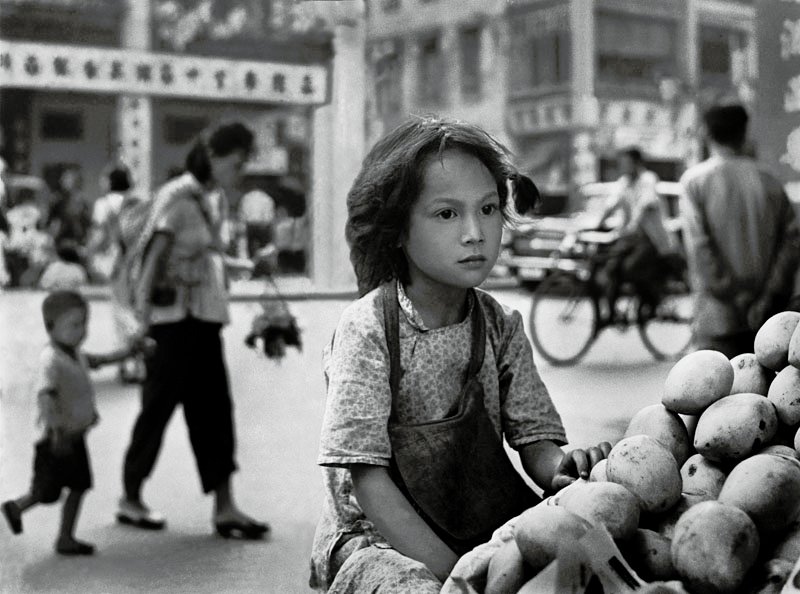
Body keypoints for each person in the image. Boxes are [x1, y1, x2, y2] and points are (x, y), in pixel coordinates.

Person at [309, 116, 611, 592]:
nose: (476, 232)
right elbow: (367, 482)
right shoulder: (369, 329)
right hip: (378, 539)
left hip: (478, 525)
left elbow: (535, 444)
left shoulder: (500, 327)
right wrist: (458, 575)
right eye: (447, 214)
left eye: (488, 209)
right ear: (398, 231)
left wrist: (566, 469)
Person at [117, 122, 268, 539]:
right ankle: (130, 497)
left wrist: (251, 267)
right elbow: (150, 264)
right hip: (171, 327)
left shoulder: (207, 199)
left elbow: (209, 257)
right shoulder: (179, 200)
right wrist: (140, 327)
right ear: (214, 157)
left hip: (201, 322)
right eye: (236, 164)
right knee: (156, 411)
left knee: (215, 412)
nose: (240, 173)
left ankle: (225, 507)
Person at [1, 290, 150, 555]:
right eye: (74, 325)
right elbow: (45, 395)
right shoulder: (51, 360)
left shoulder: (76, 353)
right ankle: (18, 508)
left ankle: (64, 536)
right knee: (46, 492)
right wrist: (56, 430)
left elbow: (101, 360)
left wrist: (130, 352)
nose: (81, 331)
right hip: (56, 441)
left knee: (76, 486)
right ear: (51, 327)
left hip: (75, 438)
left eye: (84, 324)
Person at [679, 103, 800, 357]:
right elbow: (792, 243)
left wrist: (736, 297)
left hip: (718, 320)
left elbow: (701, 250)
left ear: (707, 134)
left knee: (717, 391)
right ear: (744, 133)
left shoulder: (694, 182)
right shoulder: (770, 181)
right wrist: (767, 297)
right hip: (767, 324)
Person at [596, 147, 676, 320]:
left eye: (627, 163)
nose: (624, 167)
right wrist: (598, 223)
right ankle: (611, 311)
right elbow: (611, 204)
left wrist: (633, 224)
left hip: (651, 240)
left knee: (631, 268)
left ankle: (653, 300)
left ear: (637, 163)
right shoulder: (623, 183)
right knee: (611, 266)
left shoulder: (648, 180)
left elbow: (644, 205)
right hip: (630, 239)